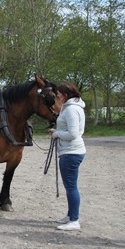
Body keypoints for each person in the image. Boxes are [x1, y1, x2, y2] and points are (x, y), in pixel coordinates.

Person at [48, 82, 86, 231]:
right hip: (71, 151)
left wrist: (56, 133)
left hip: (71, 152)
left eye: (59, 94)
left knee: (71, 187)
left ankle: (74, 220)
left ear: (66, 95)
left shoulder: (71, 110)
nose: (57, 96)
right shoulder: (71, 108)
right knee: (70, 186)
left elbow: (73, 134)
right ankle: (70, 215)